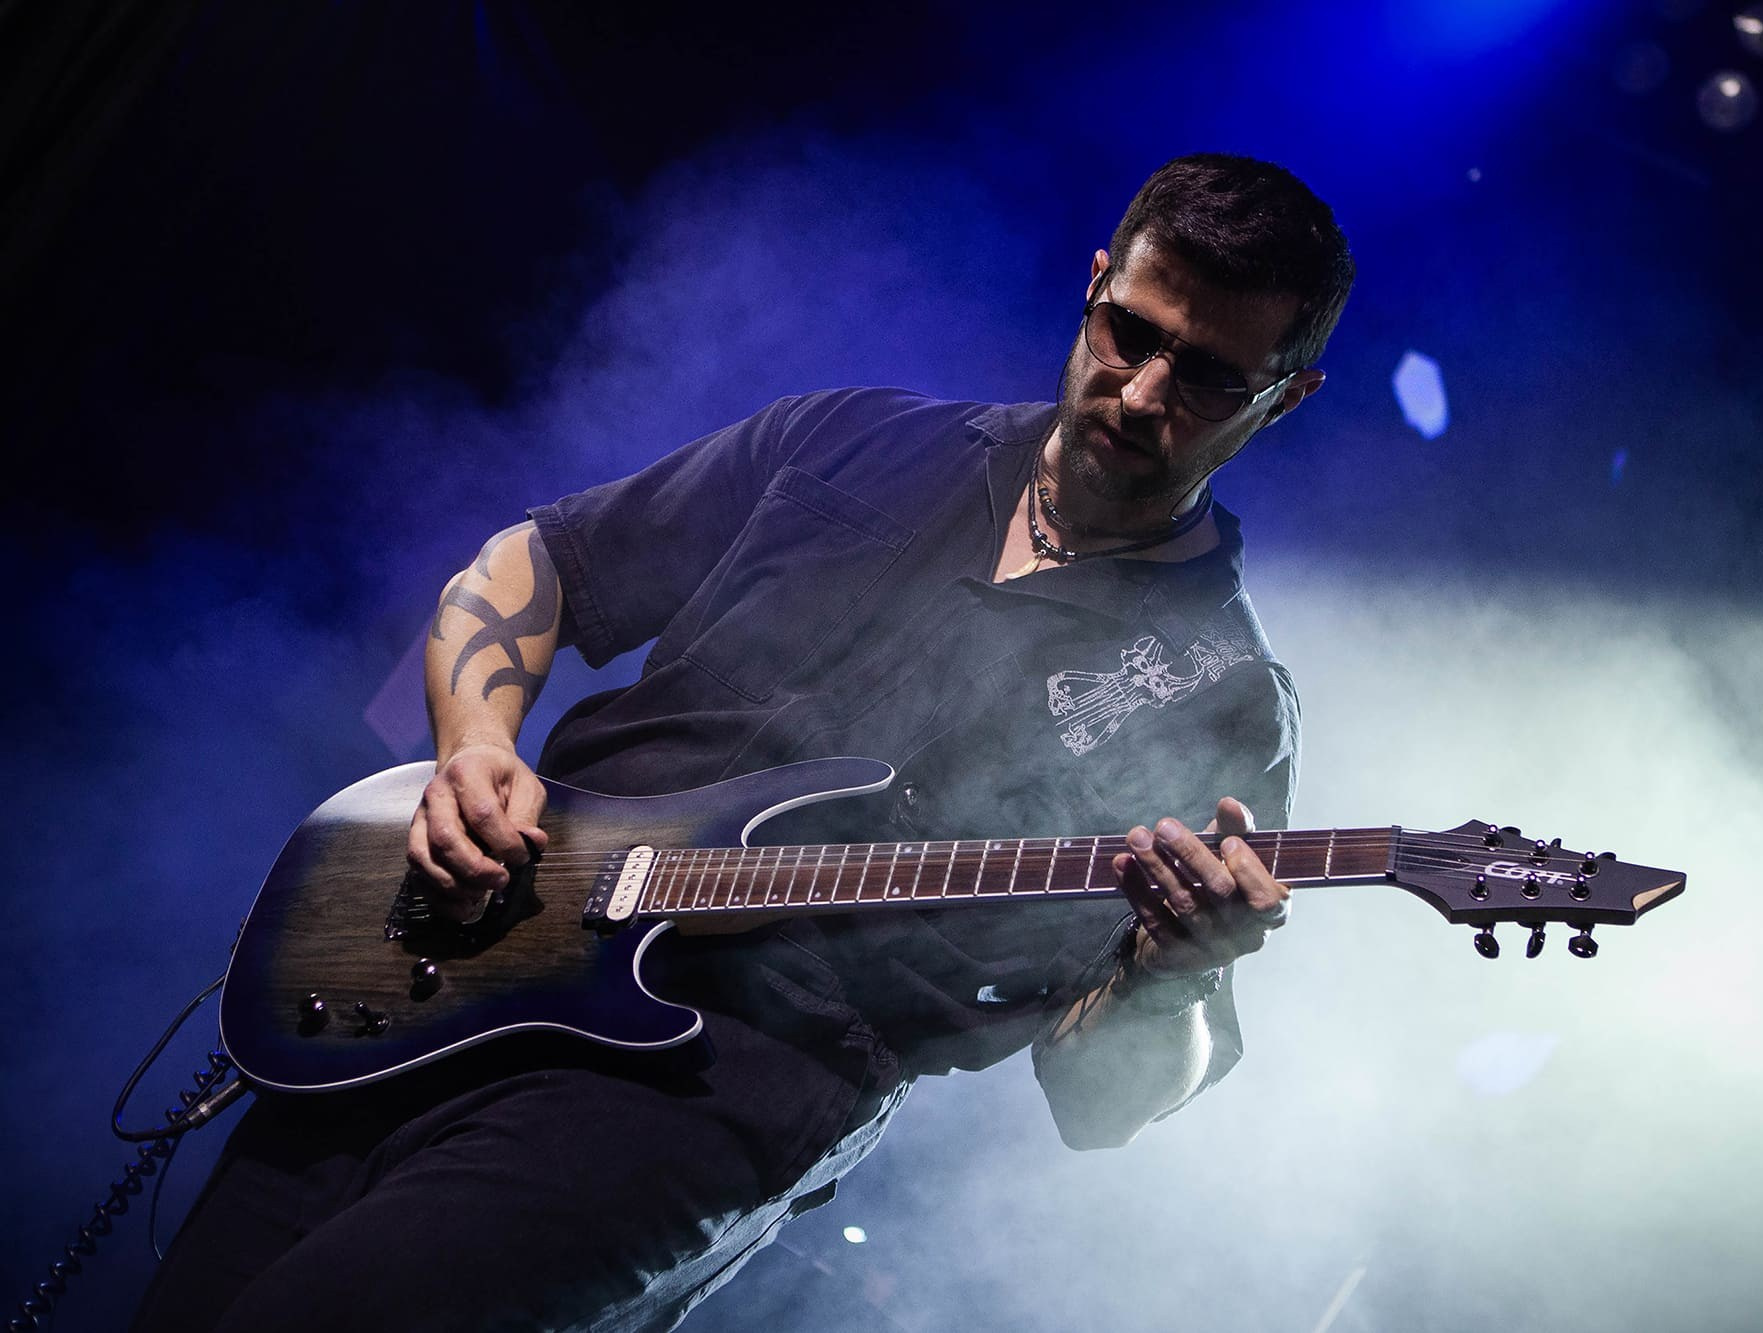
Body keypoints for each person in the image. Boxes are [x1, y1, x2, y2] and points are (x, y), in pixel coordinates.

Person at [134, 152, 1355, 1331]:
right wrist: (471, 748)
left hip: (708, 1087)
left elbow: (1102, 1108)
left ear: (1286, 397)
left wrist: (1174, 971)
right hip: (465, 952)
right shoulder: (852, 441)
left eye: (1204, 378)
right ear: (1094, 281)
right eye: (1128, 335)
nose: (1142, 394)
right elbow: (526, 567)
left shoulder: (1222, 701)